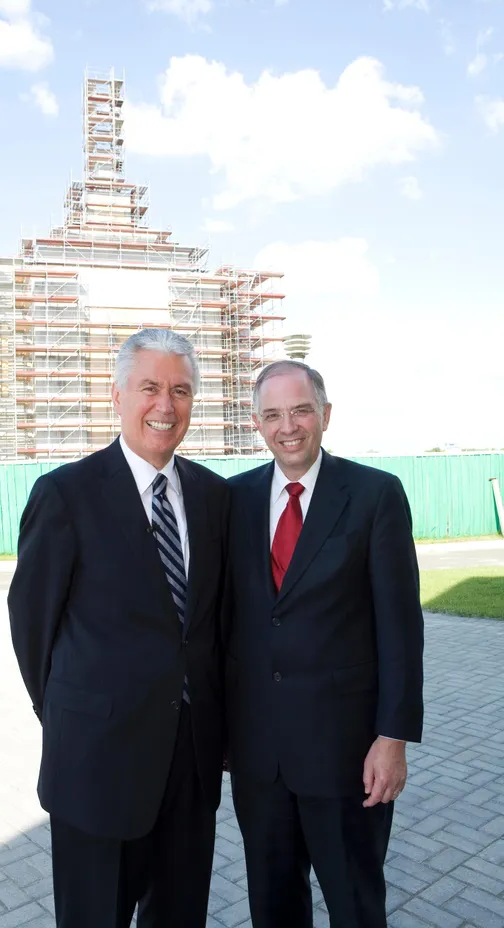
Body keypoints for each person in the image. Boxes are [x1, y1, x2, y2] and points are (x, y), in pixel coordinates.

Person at [8, 328, 229, 928]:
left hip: (190, 763)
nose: (166, 405)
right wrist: (77, 715)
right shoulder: (65, 494)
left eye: (181, 390)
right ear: (117, 395)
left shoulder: (214, 497)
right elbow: (32, 626)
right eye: (150, 387)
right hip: (95, 766)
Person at [224, 360, 424, 928]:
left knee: (356, 906)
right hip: (260, 760)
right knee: (274, 907)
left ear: (326, 415)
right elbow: (224, 625)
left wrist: (393, 737)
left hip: (347, 759)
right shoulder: (232, 501)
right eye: (272, 415)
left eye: (301, 410)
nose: (288, 426)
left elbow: (401, 627)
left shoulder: (374, 495)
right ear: (256, 424)